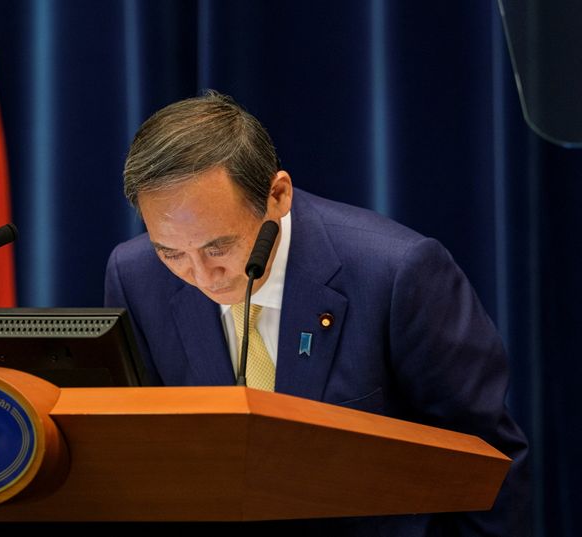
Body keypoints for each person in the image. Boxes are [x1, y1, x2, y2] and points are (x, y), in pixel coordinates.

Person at [104, 91, 529, 535]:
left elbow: (488, 465)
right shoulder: (135, 277)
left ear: (277, 195)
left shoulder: (397, 272)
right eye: (172, 253)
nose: (203, 276)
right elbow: (142, 459)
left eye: (220, 247)